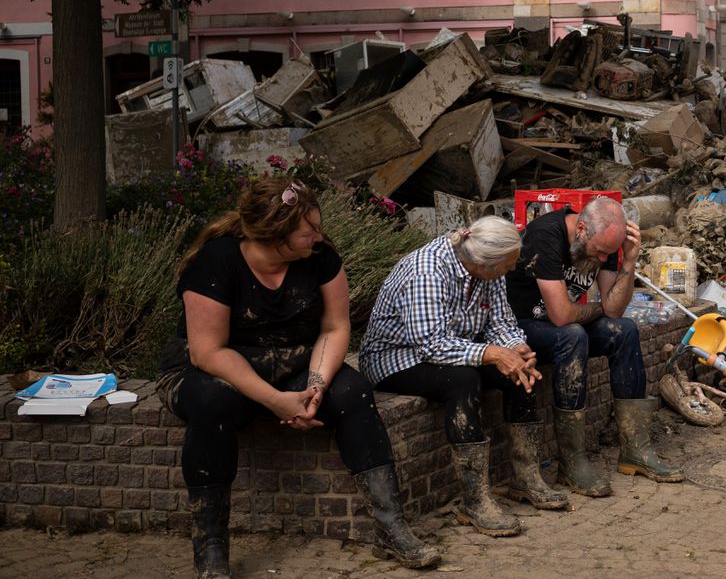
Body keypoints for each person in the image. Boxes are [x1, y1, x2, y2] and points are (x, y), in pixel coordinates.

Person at [156, 177, 438, 577]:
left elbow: (335, 328)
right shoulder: (215, 262)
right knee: (215, 403)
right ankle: (211, 548)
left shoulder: (321, 257)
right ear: (275, 236)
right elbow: (209, 352)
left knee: (354, 391)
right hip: (212, 369)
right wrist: (275, 400)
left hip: (295, 362)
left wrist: (316, 388)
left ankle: (391, 524)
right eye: (308, 232)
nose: (318, 238)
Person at [360, 217, 564, 537]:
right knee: (464, 380)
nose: (511, 270)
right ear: (483, 263)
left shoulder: (488, 270)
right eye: (508, 264)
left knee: (520, 373)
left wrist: (516, 348)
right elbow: (432, 345)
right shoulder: (427, 271)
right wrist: (495, 354)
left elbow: (501, 323)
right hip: (397, 359)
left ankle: (526, 478)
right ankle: (475, 499)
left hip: (453, 350)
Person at [504, 197, 682, 497]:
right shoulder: (546, 234)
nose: (601, 259)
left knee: (623, 331)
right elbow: (562, 315)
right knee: (572, 334)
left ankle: (635, 450)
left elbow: (614, 309)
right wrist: (595, 310)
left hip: (563, 324)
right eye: (599, 251)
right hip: (518, 326)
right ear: (582, 228)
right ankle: (572, 462)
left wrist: (628, 260)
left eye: (607, 254)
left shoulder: (607, 243)